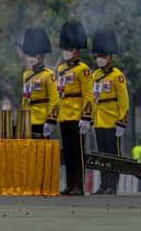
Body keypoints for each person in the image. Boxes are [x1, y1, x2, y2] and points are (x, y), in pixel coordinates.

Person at [91, 28, 129, 195]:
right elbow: (92, 99)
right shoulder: (95, 75)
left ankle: (112, 185)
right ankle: (103, 184)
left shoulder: (117, 76)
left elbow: (124, 101)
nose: (100, 58)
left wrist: (122, 121)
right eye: (98, 55)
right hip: (99, 121)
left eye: (103, 55)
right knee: (102, 156)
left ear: (110, 57)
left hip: (113, 122)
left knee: (113, 156)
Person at [56, 20, 93, 196]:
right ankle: (70, 184)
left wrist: (86, 117)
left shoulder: (83, 70)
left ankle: (79, 185)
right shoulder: (61, 69)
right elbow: (59, 94)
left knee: (78, 153)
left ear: (76, 51)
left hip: (77, 117)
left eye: (69, 49)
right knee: (68, 154)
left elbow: (88, 95)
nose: (65, 52)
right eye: (65, 48)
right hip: (64, 116)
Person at [20, 27, 59, 139]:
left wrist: (51, 120)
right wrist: (23, 118)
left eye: (34, 55)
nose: (31, 57)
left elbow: (55, 99)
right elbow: (25, 99)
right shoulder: (26, 75)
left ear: (42, 56)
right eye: (30, 54)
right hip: (28, 120)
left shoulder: (48, 75)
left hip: (42, 120)